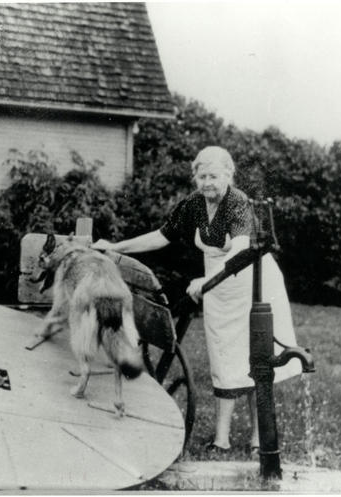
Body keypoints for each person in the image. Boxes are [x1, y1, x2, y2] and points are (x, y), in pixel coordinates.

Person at [91, 146, 301, 453]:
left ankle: (258, 440)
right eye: (201, 176)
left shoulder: (238, 204)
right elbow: (161, 236)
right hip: (217, 290)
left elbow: (241, 250)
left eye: (214, 176)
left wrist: (206, 280)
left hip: (253, 285)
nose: (207, 183)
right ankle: (221, 439)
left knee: (258, 358)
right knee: (224, 357)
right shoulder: (193, 205)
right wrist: (116, 246)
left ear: (229, 174)